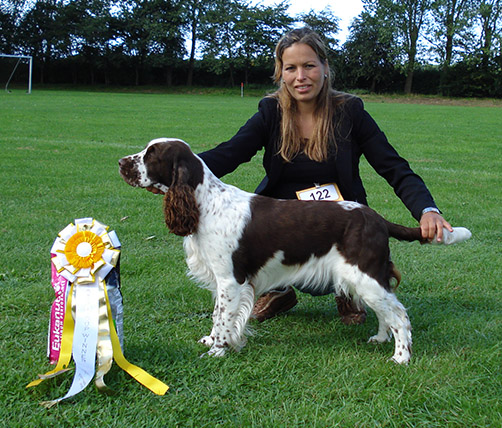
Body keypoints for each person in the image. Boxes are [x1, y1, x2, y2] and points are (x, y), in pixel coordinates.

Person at [149, 27, 453, 324]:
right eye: (290, 68)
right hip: (280, 228)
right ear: (280, 72)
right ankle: (277, 290)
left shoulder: (351, 112)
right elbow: (230, 153)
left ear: (324, 67)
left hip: (340, 228)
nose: (300, 77)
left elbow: (394, 166)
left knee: (338, 267)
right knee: (255, 240)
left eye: (309, 66)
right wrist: (179, 173)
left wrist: (427, 210)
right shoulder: (270, 112)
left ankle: (349, 289)